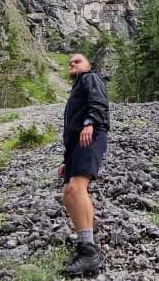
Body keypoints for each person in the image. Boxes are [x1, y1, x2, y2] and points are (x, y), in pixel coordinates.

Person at [58, 53, 109, 277]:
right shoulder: (76, 88)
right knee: (68, 194)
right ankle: (84, 242)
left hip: (90, 135)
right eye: (70, 62)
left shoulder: (90, 78)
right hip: (77, 143)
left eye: (77, 61)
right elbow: (71, 128)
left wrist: (90, 123)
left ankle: (89, 252)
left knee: (76, 188)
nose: (72, 63)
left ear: (88, 65)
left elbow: (98, 101)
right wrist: (66, 159)